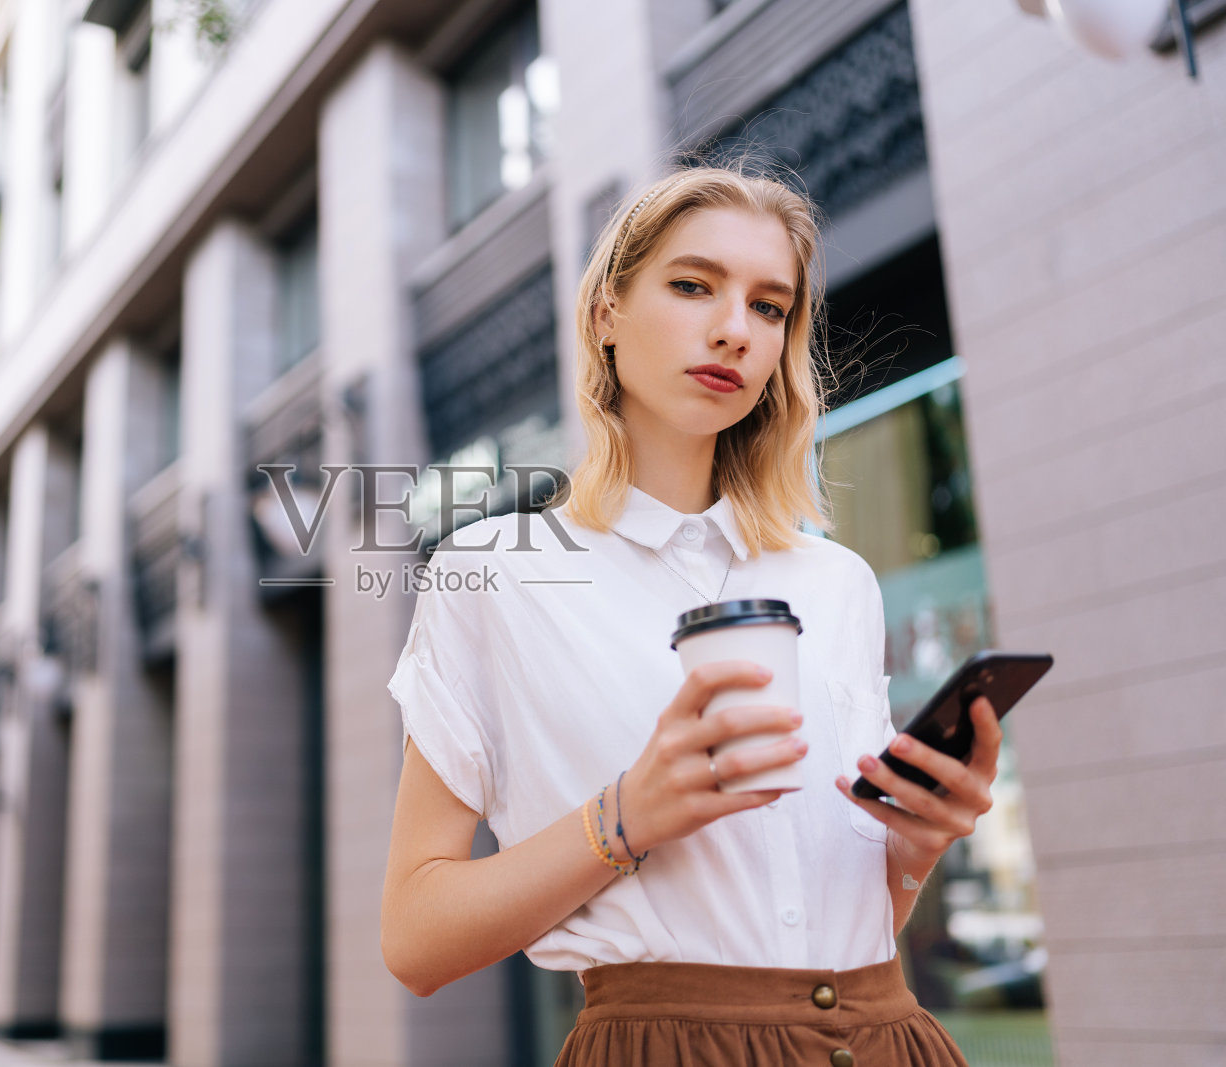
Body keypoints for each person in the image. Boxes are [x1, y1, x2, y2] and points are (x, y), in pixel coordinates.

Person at [381, 164, 998, 1065]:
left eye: (770, 306)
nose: (733, 330)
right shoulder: (493, 575)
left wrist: (917, 844)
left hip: (886, 1034)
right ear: (606, 314)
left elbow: (847, 919)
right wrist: (626, 815)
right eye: (692, 285)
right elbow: (415, 939)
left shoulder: (838, 581)